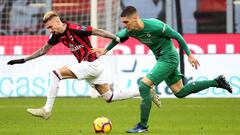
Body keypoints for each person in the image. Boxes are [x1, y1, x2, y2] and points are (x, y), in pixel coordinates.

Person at [91, 6, 233, 133]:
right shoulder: (130, 30)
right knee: (180, 92)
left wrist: (189, 54)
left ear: (135, 18)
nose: (124, 25)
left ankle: (142, 125)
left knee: (144, 85)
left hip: (169, 58)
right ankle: (217, 82)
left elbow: (177, 36)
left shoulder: (155, 25)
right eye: (123, 23)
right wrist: (105, 50)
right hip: (161, 59)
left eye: (126, 22)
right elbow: (117, 38)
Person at [7, 10, 160, 120]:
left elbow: (97, 31)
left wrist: (116, 38)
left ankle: (46, 110)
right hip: (92, 66)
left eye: (50, 27)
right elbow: (44, 50)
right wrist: (23, 60)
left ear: (56, 21)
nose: (50, 30)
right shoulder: (56, 36)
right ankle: (144, 91)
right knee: (109, 97)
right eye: (48, 28)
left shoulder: (75, 28)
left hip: (91, 64)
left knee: (55, 74)